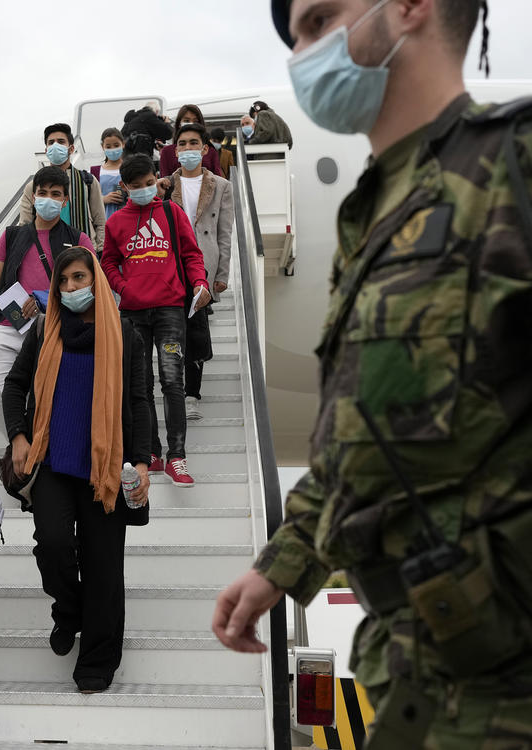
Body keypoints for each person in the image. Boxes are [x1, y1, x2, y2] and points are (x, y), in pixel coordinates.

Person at [214, 1, 532, 747]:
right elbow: (361, 437)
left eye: (319, 20)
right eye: (292, 35)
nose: (299, 53)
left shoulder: (515, 166)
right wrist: (281, 566)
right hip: (416, 679)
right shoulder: (375, 216)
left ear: (411, 8)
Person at [1, 246, 151, 694]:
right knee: (53, 544)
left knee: (104, 567)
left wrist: (142, 462)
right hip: (53, 464)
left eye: (79, 278)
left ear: (96, 281)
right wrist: (19, 436)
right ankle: (69, 611)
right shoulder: (45, 333)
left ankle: (97, 662)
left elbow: (140, 402)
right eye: (63, 281)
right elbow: (14, 386)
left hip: (105, 469)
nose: (70, 288)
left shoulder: (126, 336)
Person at [100, 154, 211, 487]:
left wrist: (200, 282)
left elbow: (192, 254)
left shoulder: (171, 212)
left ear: (156, 179)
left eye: (150, 183)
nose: (146, 190)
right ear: (125, 187)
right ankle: (151, 453)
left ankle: (177, 457)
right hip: (132, 313)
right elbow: (108, 263)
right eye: (138, 187)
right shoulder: (116, 222)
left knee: (172, 381)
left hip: (170, 309)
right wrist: (123, 287)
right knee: (140, 386)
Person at [0, 166, 93, 436]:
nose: (48, 198)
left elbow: (90, 287)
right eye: (42, 192)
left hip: (55, 325)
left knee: (54, 392)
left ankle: (39, 446)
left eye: (56, 194)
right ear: (33, 196)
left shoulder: (78, 239)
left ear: (65, 201)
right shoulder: (11, 236)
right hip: (7, 324)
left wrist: (46, 300)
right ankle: (21, 442)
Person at [164, 124, 235, 420]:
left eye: (194, 143)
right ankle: (174, 390)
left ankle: (191, 394)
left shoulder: (220, 185)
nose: (188, 149)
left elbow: (224, 232)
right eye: (183, 144)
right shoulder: (165, 184)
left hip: (203, 266)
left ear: (205, 149)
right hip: (170, 267)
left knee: (196, 332)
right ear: (175, 150)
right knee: (172, 332)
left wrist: (222, 274)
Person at [19, 123, 105, 248]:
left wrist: (100, 250)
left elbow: (100, 221)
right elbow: (25, 224)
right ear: (46, 150)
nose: (55, 146)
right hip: (44, 251)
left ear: (71, 149)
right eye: (51, 142)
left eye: (60, 142)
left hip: (83, 253)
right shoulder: (33, 186)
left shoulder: (88, 181)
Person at [159, 104, 222, 178]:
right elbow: (165, 180)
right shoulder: (167, 151)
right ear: (179, 124)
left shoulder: (211, 151)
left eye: (195, 121)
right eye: (186, 120)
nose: (191, 123)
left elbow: (217, 180)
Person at [90, 127, 127, 219]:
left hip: (127, 218)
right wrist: (103, 199)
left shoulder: (131, 168)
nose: (113, 149)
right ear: (103, 147)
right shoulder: (95, 172)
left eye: (116, 145)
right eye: (108, 146)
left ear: (123, 144)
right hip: (103, 220)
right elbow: (87, 199)